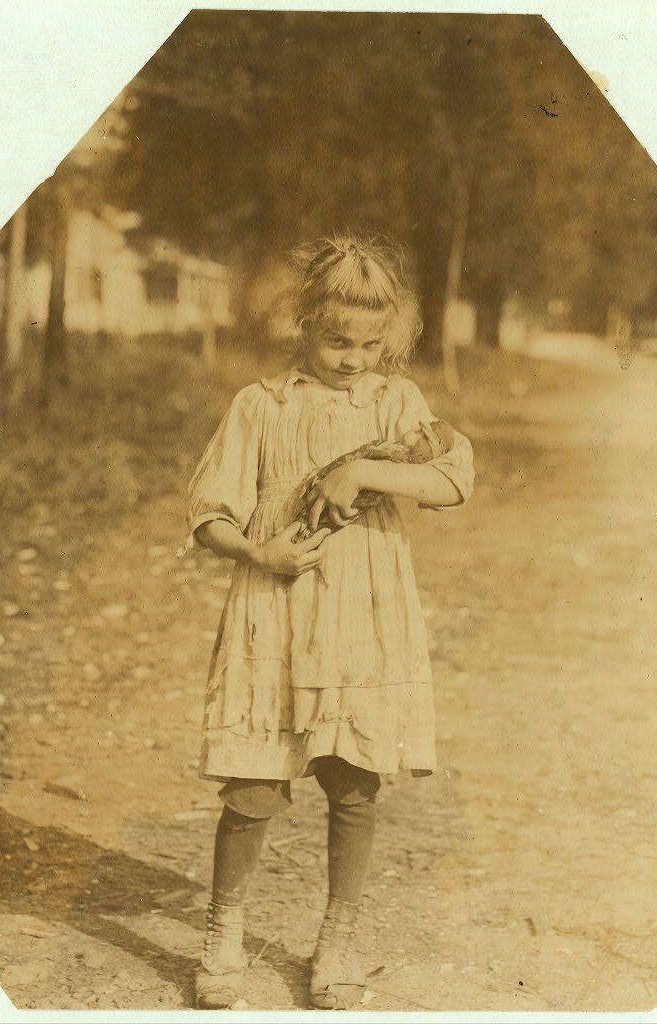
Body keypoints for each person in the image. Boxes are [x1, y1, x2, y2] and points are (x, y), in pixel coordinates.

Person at [184, 233, 475, 1009]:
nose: (351, 359)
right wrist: (258, 552)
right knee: (253, 783)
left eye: (369, 344)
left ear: (392, 340)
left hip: (365, 610)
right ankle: (226, 930)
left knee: (353, 781)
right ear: (304, 325)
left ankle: (335, 940)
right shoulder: (261, 405)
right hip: (275, 604)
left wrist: (364, 468)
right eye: (335, 340)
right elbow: (209, 510)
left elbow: (453, 478)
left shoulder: (395, 403)